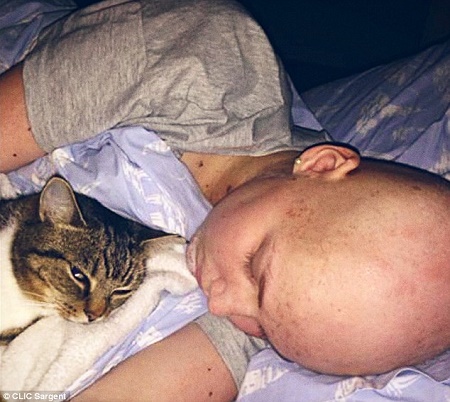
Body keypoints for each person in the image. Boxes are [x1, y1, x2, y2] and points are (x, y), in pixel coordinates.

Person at [0, 0, 449, 400]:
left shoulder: (296, 307)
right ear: (320, 165)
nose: (220, 305)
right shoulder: (188, 59)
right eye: (254, 267)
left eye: (264, 329)